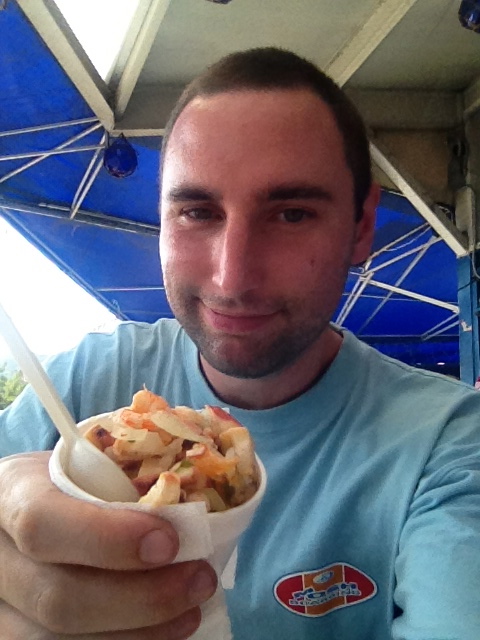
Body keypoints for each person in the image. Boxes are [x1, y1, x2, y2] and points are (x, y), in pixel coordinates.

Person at [1, 47, 480, 640]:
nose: (232, 278)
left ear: (361, 226)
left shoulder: (448, 444)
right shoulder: (82, 387)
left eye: (292, 214)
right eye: (198, 211)